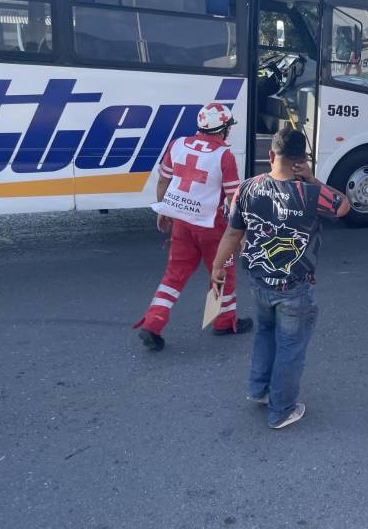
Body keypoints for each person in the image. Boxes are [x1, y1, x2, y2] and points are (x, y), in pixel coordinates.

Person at [211, 128, 350, 429]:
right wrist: (312, 179)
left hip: (259, 282)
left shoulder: (247, 188)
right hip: (294, 288)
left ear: (270, 155)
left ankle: (258, 389)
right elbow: (343, 206)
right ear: (302, 160)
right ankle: (281, 409)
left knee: (264, 334)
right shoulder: (311, 195)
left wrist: (218, 266)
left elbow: (233, 233)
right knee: (290, 346)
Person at [133, 103, 253, 351]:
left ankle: (153, 323)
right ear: (224, 130)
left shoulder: (177, 144)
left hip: (182, 222)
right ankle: (222, 321)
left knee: (174, 275)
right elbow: (233, 198)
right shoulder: (224, 155)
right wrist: (241, 234)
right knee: (221, 273)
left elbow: (164, 179)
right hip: (212, 228)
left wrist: (163, 209)